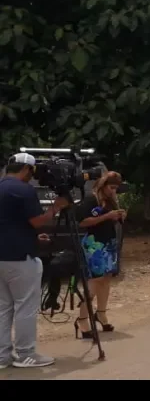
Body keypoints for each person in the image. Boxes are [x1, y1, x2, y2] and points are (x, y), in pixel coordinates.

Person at [0, 153, 70, 369]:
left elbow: (10, 222)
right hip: (20, 257)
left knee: (4, 307)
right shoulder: (23, 189)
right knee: (25, 307)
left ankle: (2, 357)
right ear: (27, 170)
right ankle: (25, 354)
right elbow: (38, 221)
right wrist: (56, 207)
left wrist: (30, 236)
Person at [74, 172, 126, 340]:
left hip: (108, 242)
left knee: (106, 279)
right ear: (103, 185)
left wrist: (118, 216)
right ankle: (82, 318)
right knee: (94, 281)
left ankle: (101, 313)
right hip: (94, 244)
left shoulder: (110, 200)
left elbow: (110, 219)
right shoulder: (91, 199)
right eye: (111, 187)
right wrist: (107, 216)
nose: (113, 191)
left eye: (116, 188)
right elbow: (82, 221)